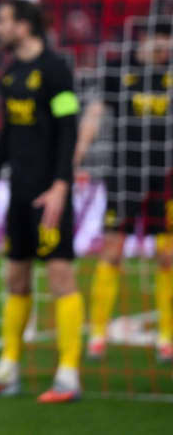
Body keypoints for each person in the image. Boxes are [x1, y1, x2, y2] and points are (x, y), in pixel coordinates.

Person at [0, 0, 84, 403]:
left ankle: (68, 375)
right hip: (19, 193)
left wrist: (62, 186)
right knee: (16, 278)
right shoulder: (11, 74)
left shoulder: (56, 69)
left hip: (50, 194)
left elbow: (69, 128)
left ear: (25, 26)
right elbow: (10, 134)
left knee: (61, 276)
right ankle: (8, 369)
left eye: (4, 21)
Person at [74, 22, 173, 361]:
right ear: (144, 41)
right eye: (159, 41)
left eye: (168, 42)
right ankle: (98, 333)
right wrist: (76, 155)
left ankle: (167, 337)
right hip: (124, 175)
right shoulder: (120, 71)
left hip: (165, 178)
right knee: (113, 252)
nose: (164, 48)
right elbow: (95, 114)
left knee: (167, 256)